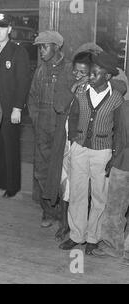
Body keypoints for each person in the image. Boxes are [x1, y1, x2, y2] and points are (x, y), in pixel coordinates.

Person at [59, 52, 124, 254]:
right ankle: (76, 235)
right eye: (91, 72)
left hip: (102, 153)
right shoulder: (80, 91)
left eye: (96, 73)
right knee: (77, 193)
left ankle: (94, 238)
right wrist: (73, 142)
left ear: (107, 77)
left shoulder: (116, 99)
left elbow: (120, 131)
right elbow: (68, 113)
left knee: (99, 197)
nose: (90, 76)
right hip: (79, 149)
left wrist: (113, 156)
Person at [28, 31, 75, 228]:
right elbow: (32, 98)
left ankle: (63, 214)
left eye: (44, 46)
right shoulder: (40, 70)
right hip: (43, 128)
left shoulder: (70, 69)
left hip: (61, 130)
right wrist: (37, 120)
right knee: (41, 170)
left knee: (62, 172)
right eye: (39, 47)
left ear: (56, 47)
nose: (41, 51)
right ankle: (48, 212)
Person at [51, 51, 92, 242]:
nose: (78, 75)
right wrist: (74, 87)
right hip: (64, 142)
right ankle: (64, 223)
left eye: (83, 73)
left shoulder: (94, 89)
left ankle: (76, 230)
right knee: (63, 184)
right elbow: (59, 105)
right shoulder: (70, 84)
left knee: (78, 189)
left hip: (81, 145)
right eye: (75, 71)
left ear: (92, 72)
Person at [0, 14, 31, 198]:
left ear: (9, 30)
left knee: (11, 147)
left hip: (9, 108)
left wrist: (18, 107)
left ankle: (12, 185)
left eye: (1, 29)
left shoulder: (17, 51)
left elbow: (23, 81)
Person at [92, 100, 129, 258]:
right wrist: (113, 158)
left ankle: (116, 246)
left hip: (122, 161)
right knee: (115, 205)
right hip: (122, 161)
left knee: (115, 205)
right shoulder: (124, 106)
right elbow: (119, 135)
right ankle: (114, 245)